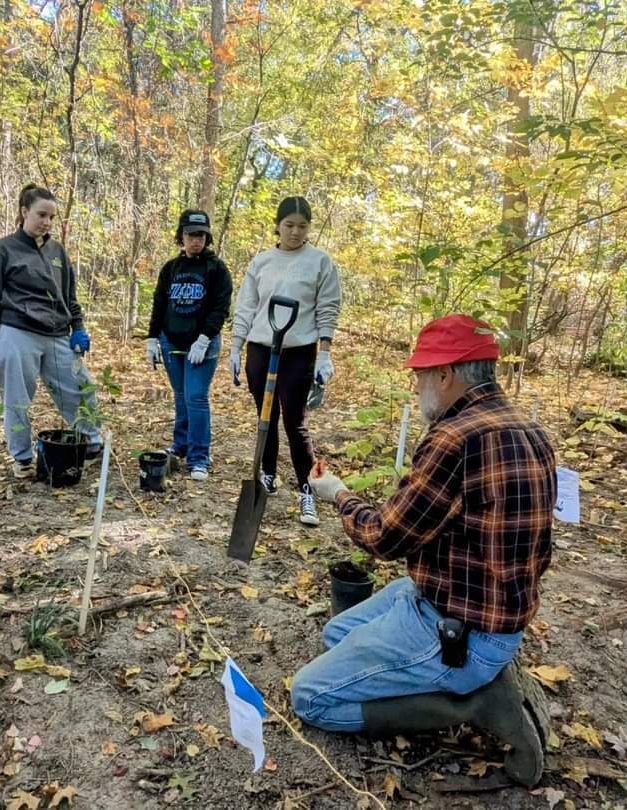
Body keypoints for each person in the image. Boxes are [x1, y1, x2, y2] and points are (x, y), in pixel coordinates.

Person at [290, 314, 556, 787]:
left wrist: (338, 494)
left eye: (420, 376)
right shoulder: (529, 428)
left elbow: (386, 538)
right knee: (337, 634)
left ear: (445, 374)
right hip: (476, 610)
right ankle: (472, 675)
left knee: (310, 697)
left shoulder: (455, 437)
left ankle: (472, 703)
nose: (417, 388)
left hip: (459, 629)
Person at [0, 184, 100, 479]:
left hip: (57, 332)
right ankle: (22, 457)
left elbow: (68, 294)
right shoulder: (3, 249)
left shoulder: (58, 251)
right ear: (24, 212)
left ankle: (91, 442)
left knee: (80, 385)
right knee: (17, 398)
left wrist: (78, 327)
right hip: (18, 332)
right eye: (41, 214)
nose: (46, 222)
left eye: (52, 217)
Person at [230, 196, 341, 525]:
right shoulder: (261, 261)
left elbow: (327, 309)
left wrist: (324, 352)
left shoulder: (320, 262)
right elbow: (247, 306)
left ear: (309, 228)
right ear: (277, 226)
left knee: (295, 420)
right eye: (289, 225)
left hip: (298, 349)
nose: (295, 232)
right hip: (262, 347)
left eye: (302, 226)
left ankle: (308, 488)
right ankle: (267, 473)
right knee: (265, 414)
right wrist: (236, 346)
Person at [146, 210, 232, 481]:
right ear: (181, 236)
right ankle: (180, 444)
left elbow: (220, 308)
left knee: (196, 396)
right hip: (171, 340)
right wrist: (151, 338)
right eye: (190, 235)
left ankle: (199, 457)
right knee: (181, 394)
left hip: (202, 343)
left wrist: (205, 338)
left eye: (201, 235)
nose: (196, 240)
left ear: (207, 237)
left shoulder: (216, 269)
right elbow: (160, 303)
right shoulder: (171, 268)